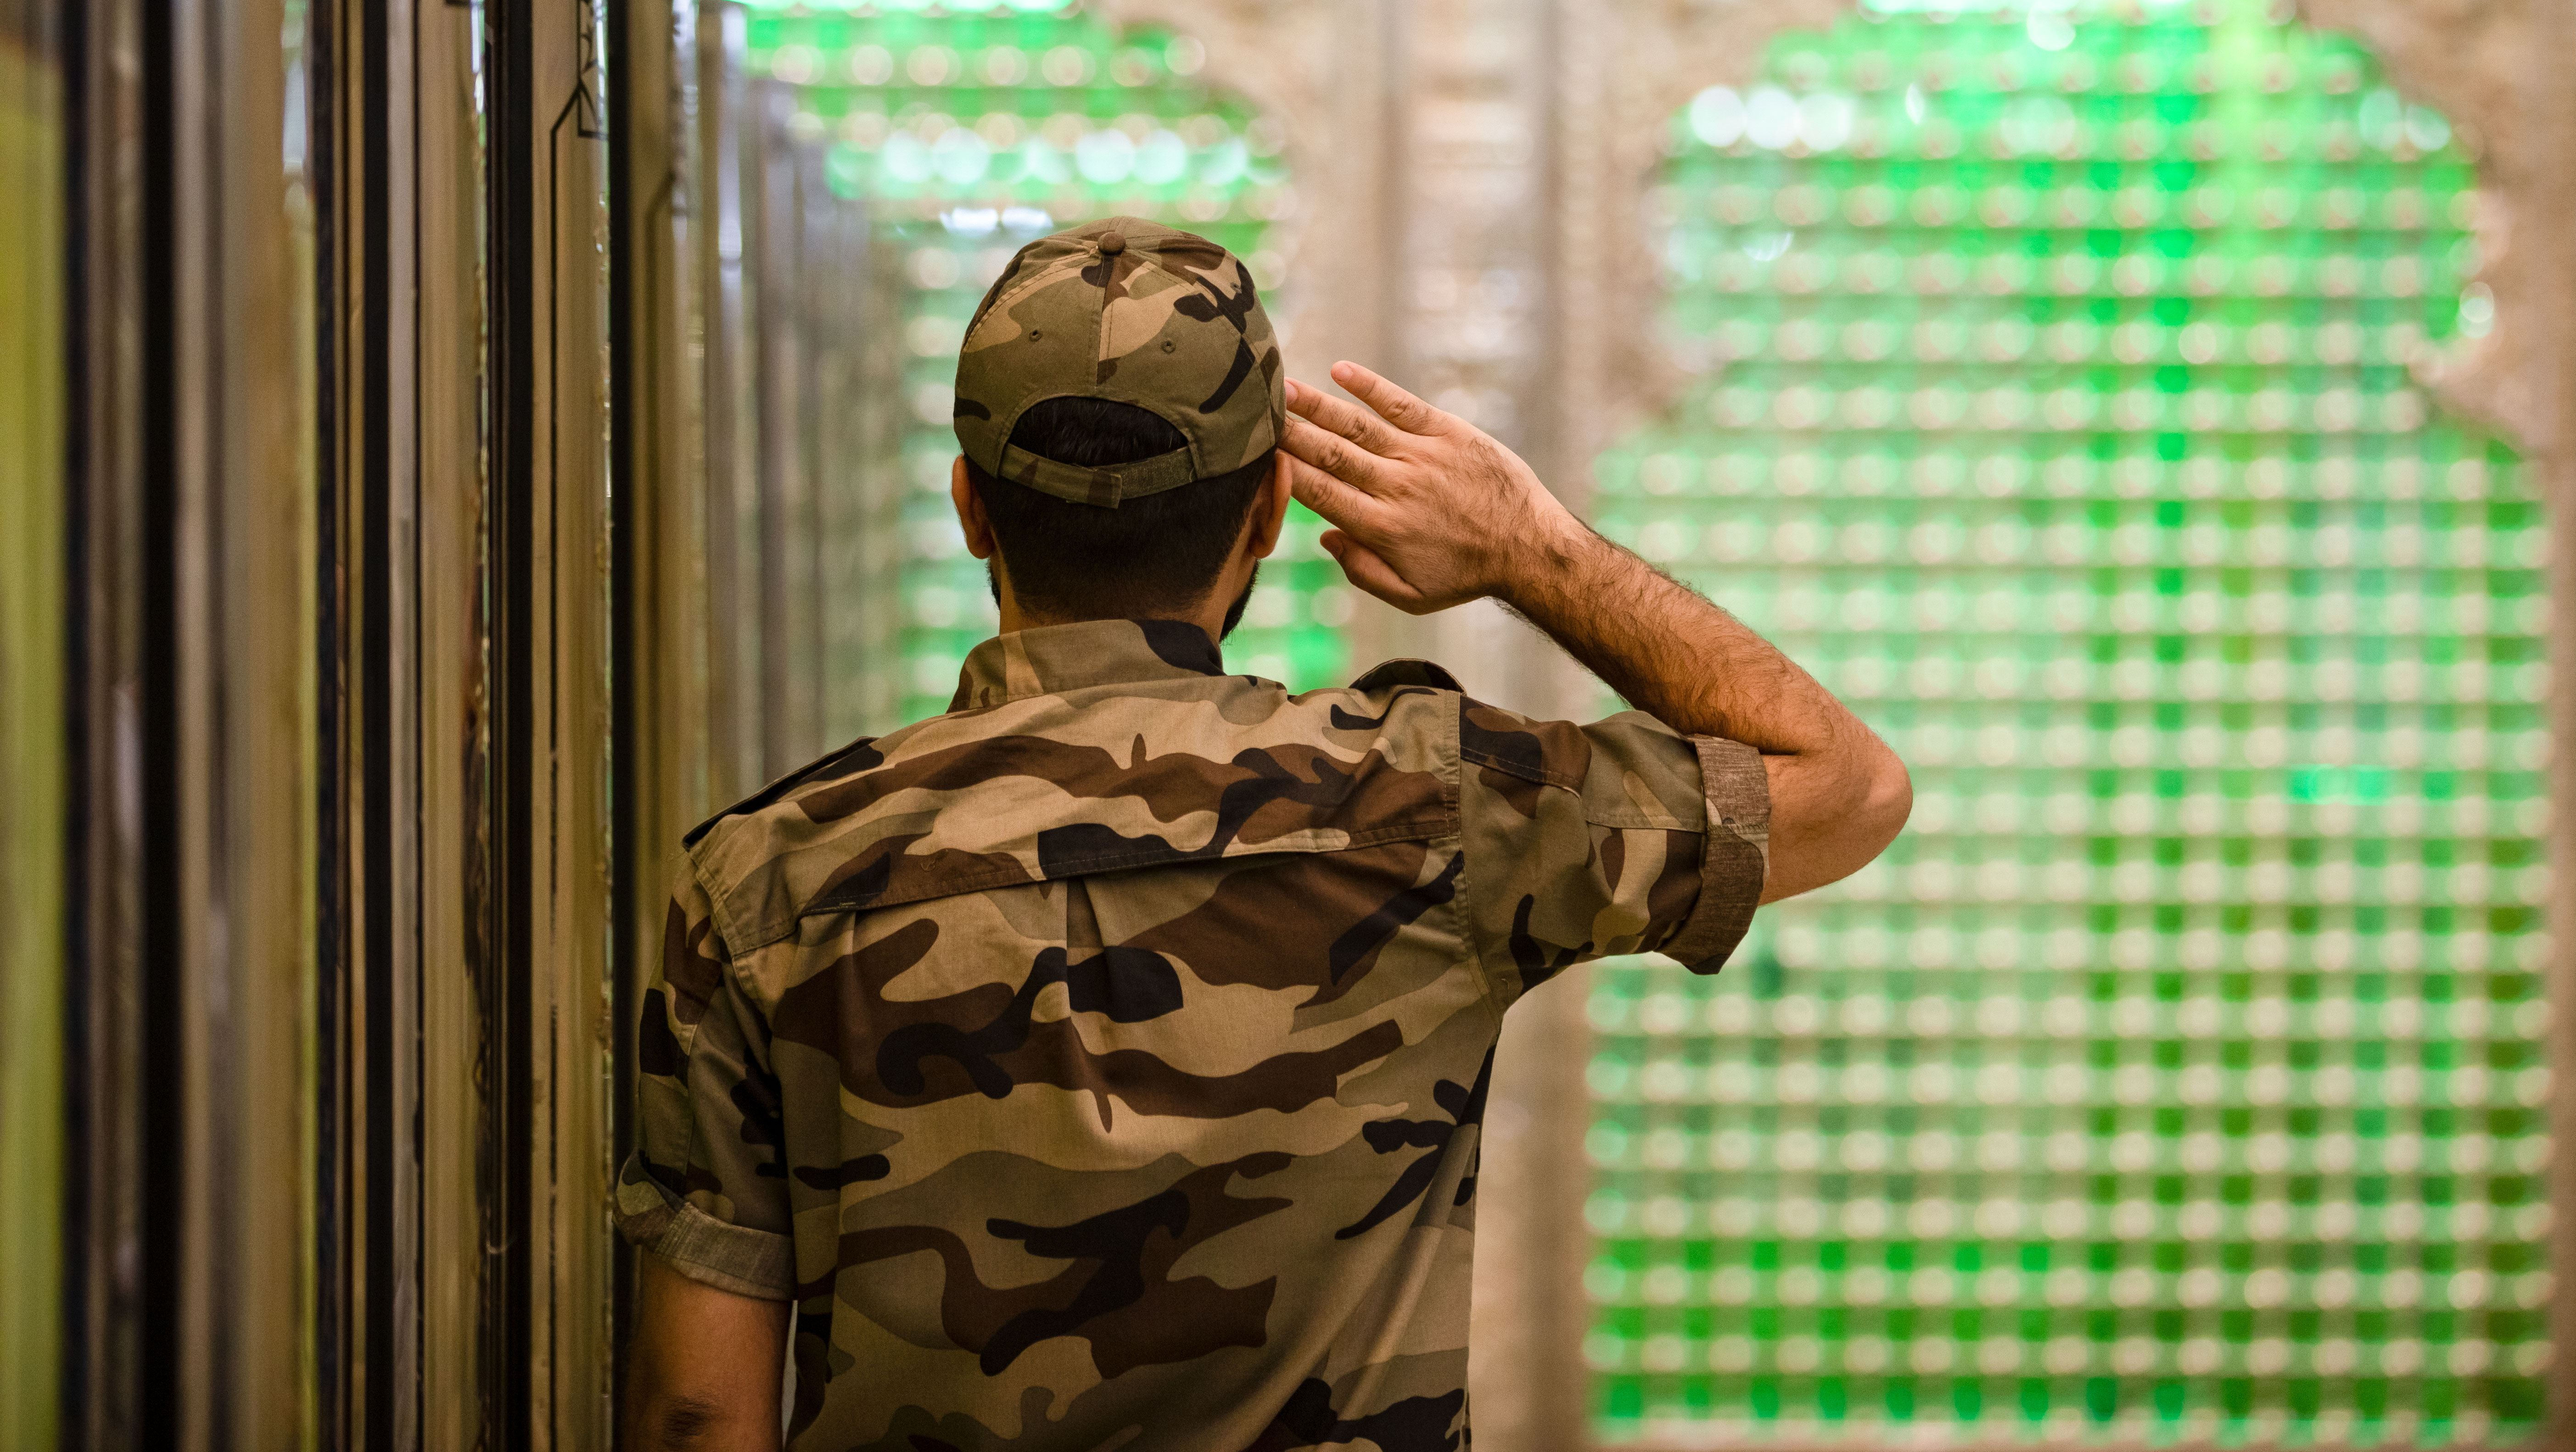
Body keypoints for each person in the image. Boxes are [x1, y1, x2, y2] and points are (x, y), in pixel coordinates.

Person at [615, 217, 1910, 1451]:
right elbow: (1848, 789)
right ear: (1270, 514)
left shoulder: (767, 882)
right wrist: (1532, 551)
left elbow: (696, 1416)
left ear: (970, 508)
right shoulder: (1439, 812)